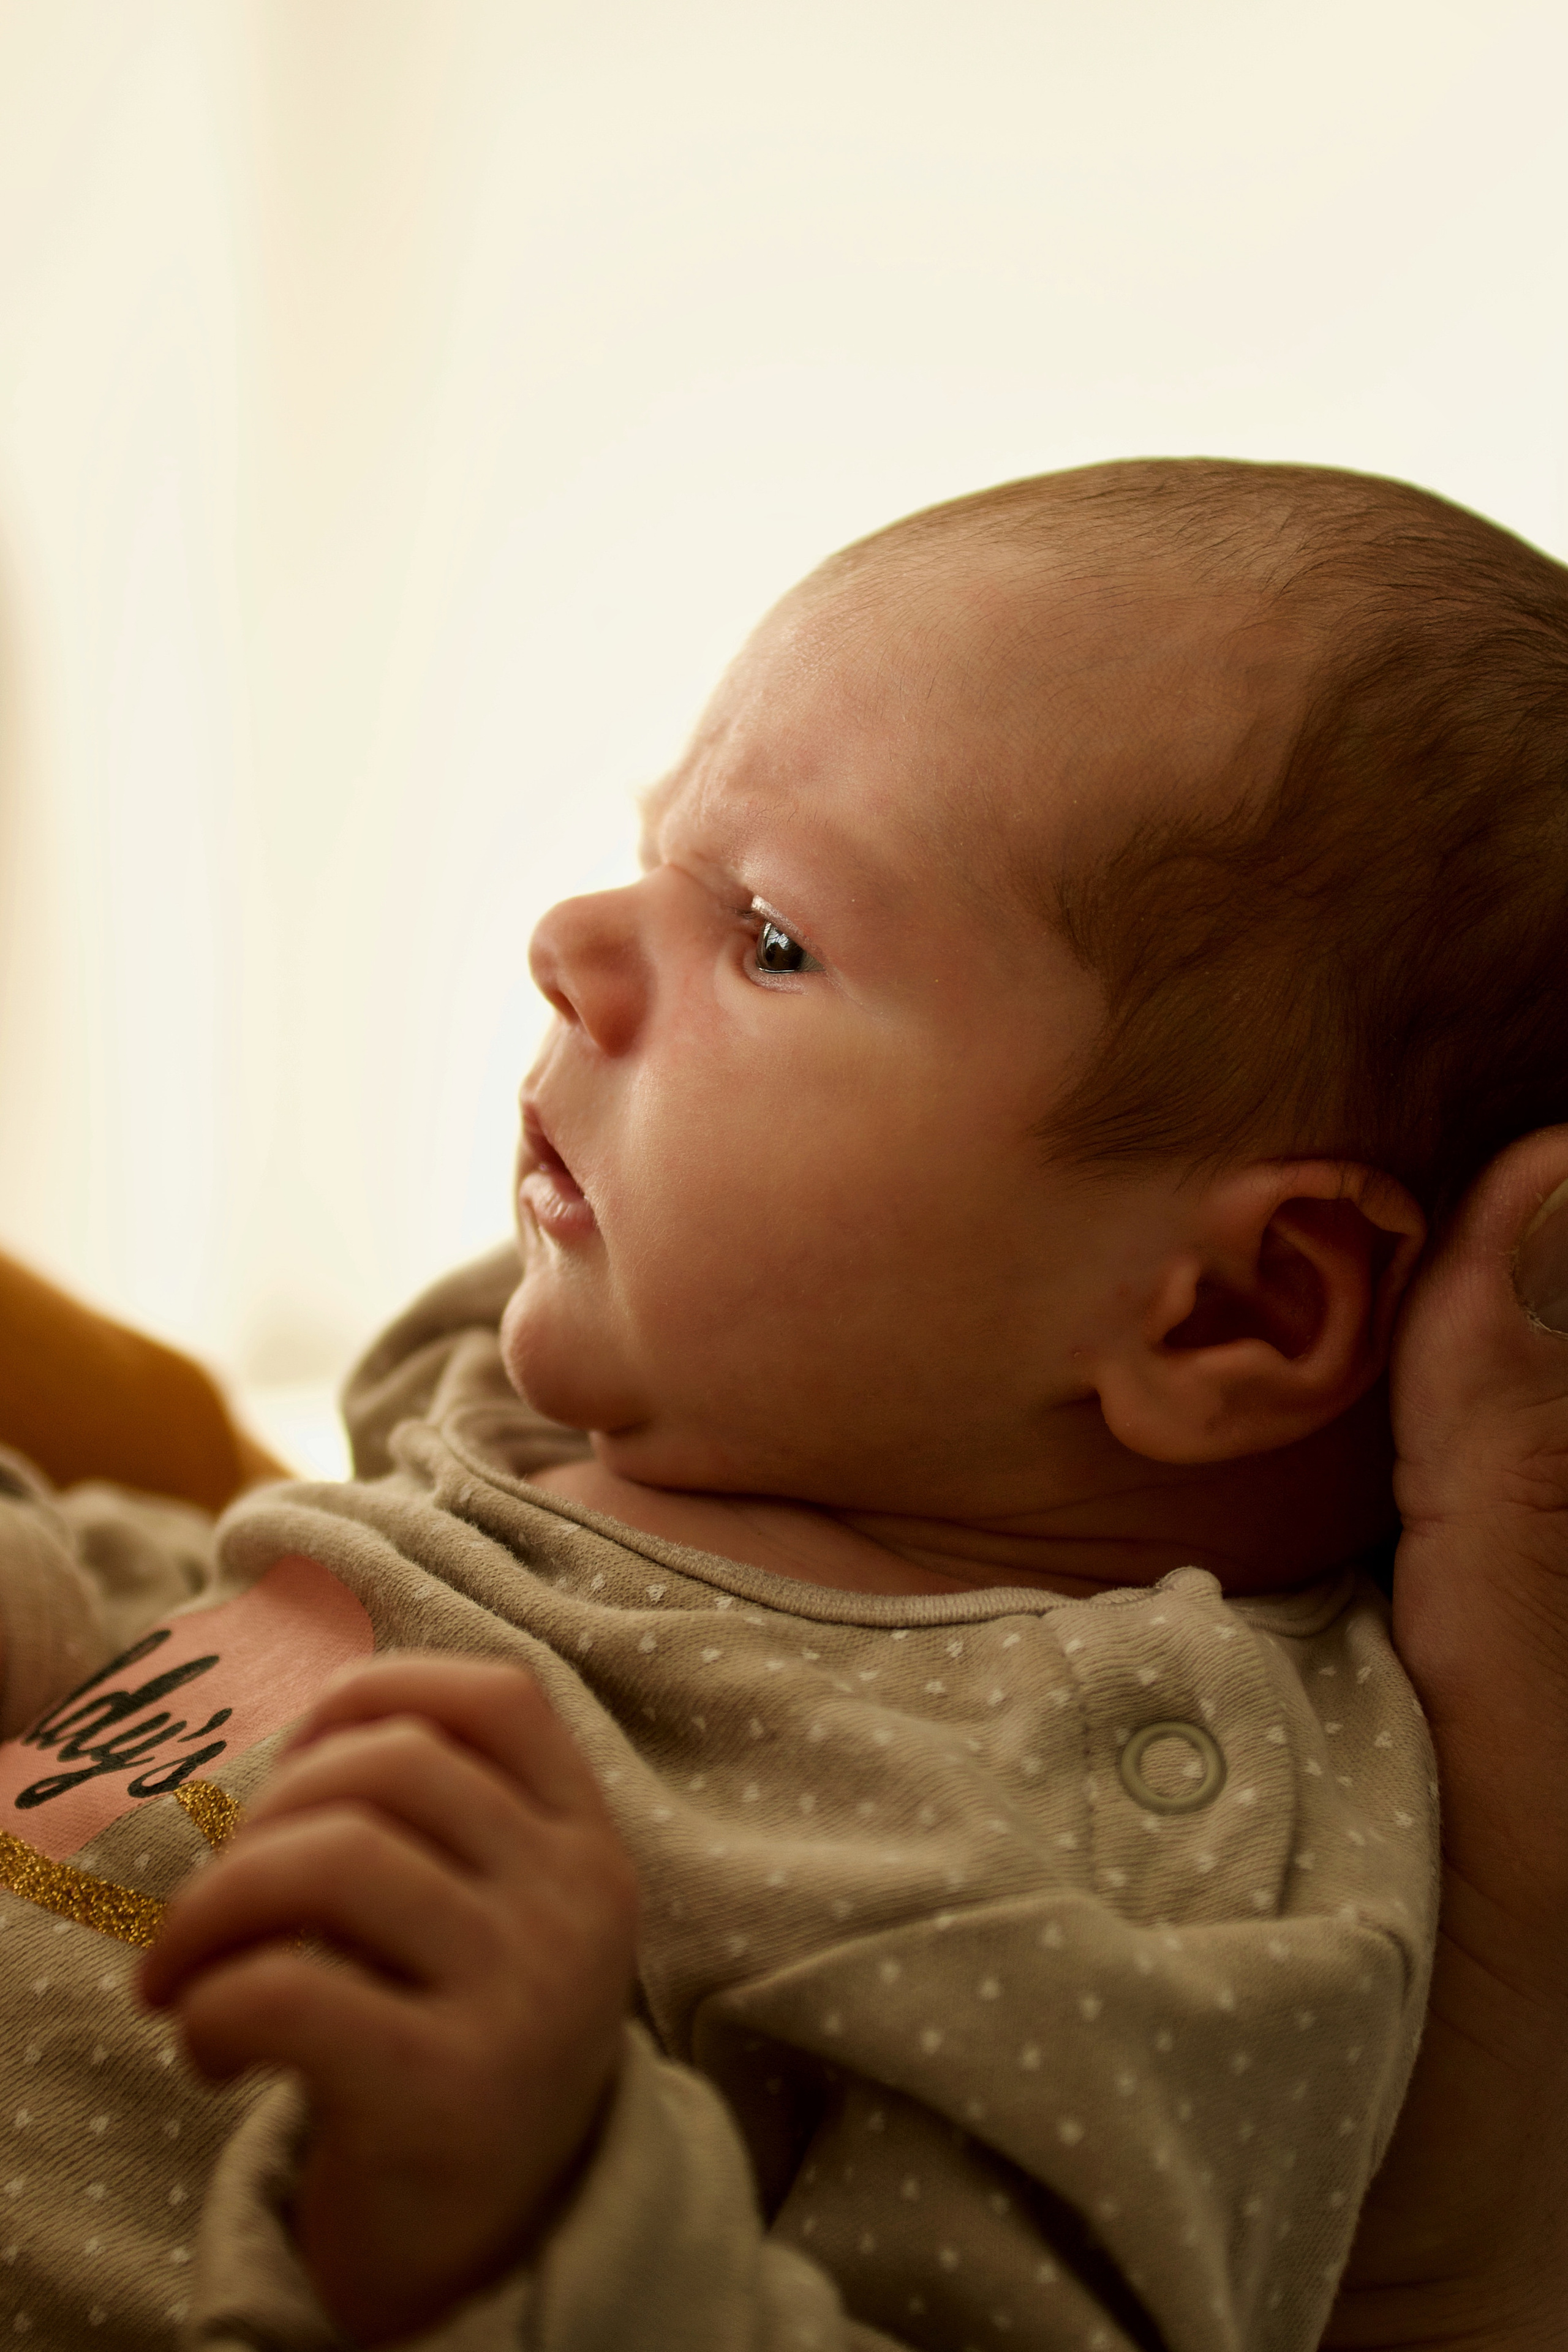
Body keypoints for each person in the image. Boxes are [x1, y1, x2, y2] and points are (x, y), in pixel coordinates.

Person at [1, 458, 1566, 2350]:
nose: (572, 941)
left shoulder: (1132, 1833)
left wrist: (543, 2205)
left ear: (1230, 1313)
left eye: (769, 937)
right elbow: (232, 1684)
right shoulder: (547, 1437)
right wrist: (67, 1603)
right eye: (656, 845)